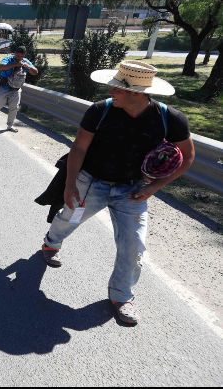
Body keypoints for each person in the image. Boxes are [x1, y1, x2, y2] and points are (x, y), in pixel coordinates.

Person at [40, 61, 194, 325]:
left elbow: (187, 156)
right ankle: (51, 242)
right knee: (70, 217)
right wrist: (70, 184)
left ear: (137, 93)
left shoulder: (170, 118)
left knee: (133, 244)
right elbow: (79, 148)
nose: (111, 91)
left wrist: (154, 187)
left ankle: (122, 296)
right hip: (91, 182)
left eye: (117, 88)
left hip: (133, 190)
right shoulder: (100, 111)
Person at [0, 46, 38, 132]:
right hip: (4, 86)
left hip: (16, 89)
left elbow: (35, 72)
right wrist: (15, 64)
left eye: (21, 56)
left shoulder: (25, 61)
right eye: (18, 55)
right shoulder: (8, 59)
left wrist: (28, 66)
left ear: (24, 55)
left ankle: (10, 126)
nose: (19, 57)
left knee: (14, 108)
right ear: (15, 53)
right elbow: (1, 67)